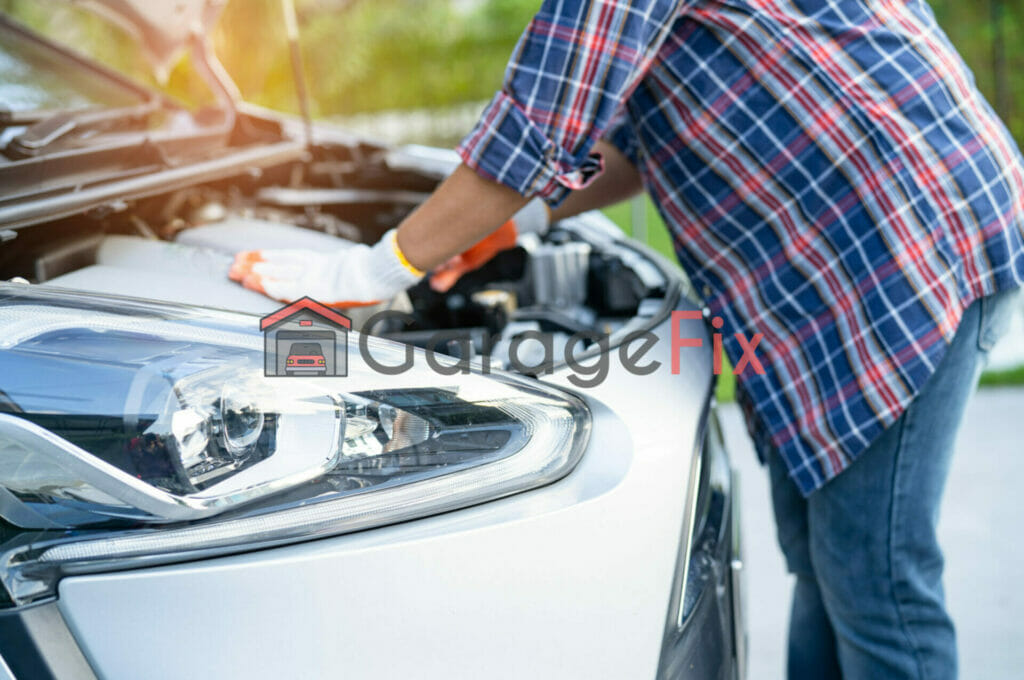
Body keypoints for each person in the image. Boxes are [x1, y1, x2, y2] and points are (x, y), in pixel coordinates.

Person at [230, 2, 1024, 677]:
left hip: (900, 250)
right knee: (823, 564)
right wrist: (519, 220)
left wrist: (366, 273)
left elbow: (539, 123)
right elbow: (645, 137)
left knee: (874, 576)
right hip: (855, 249)